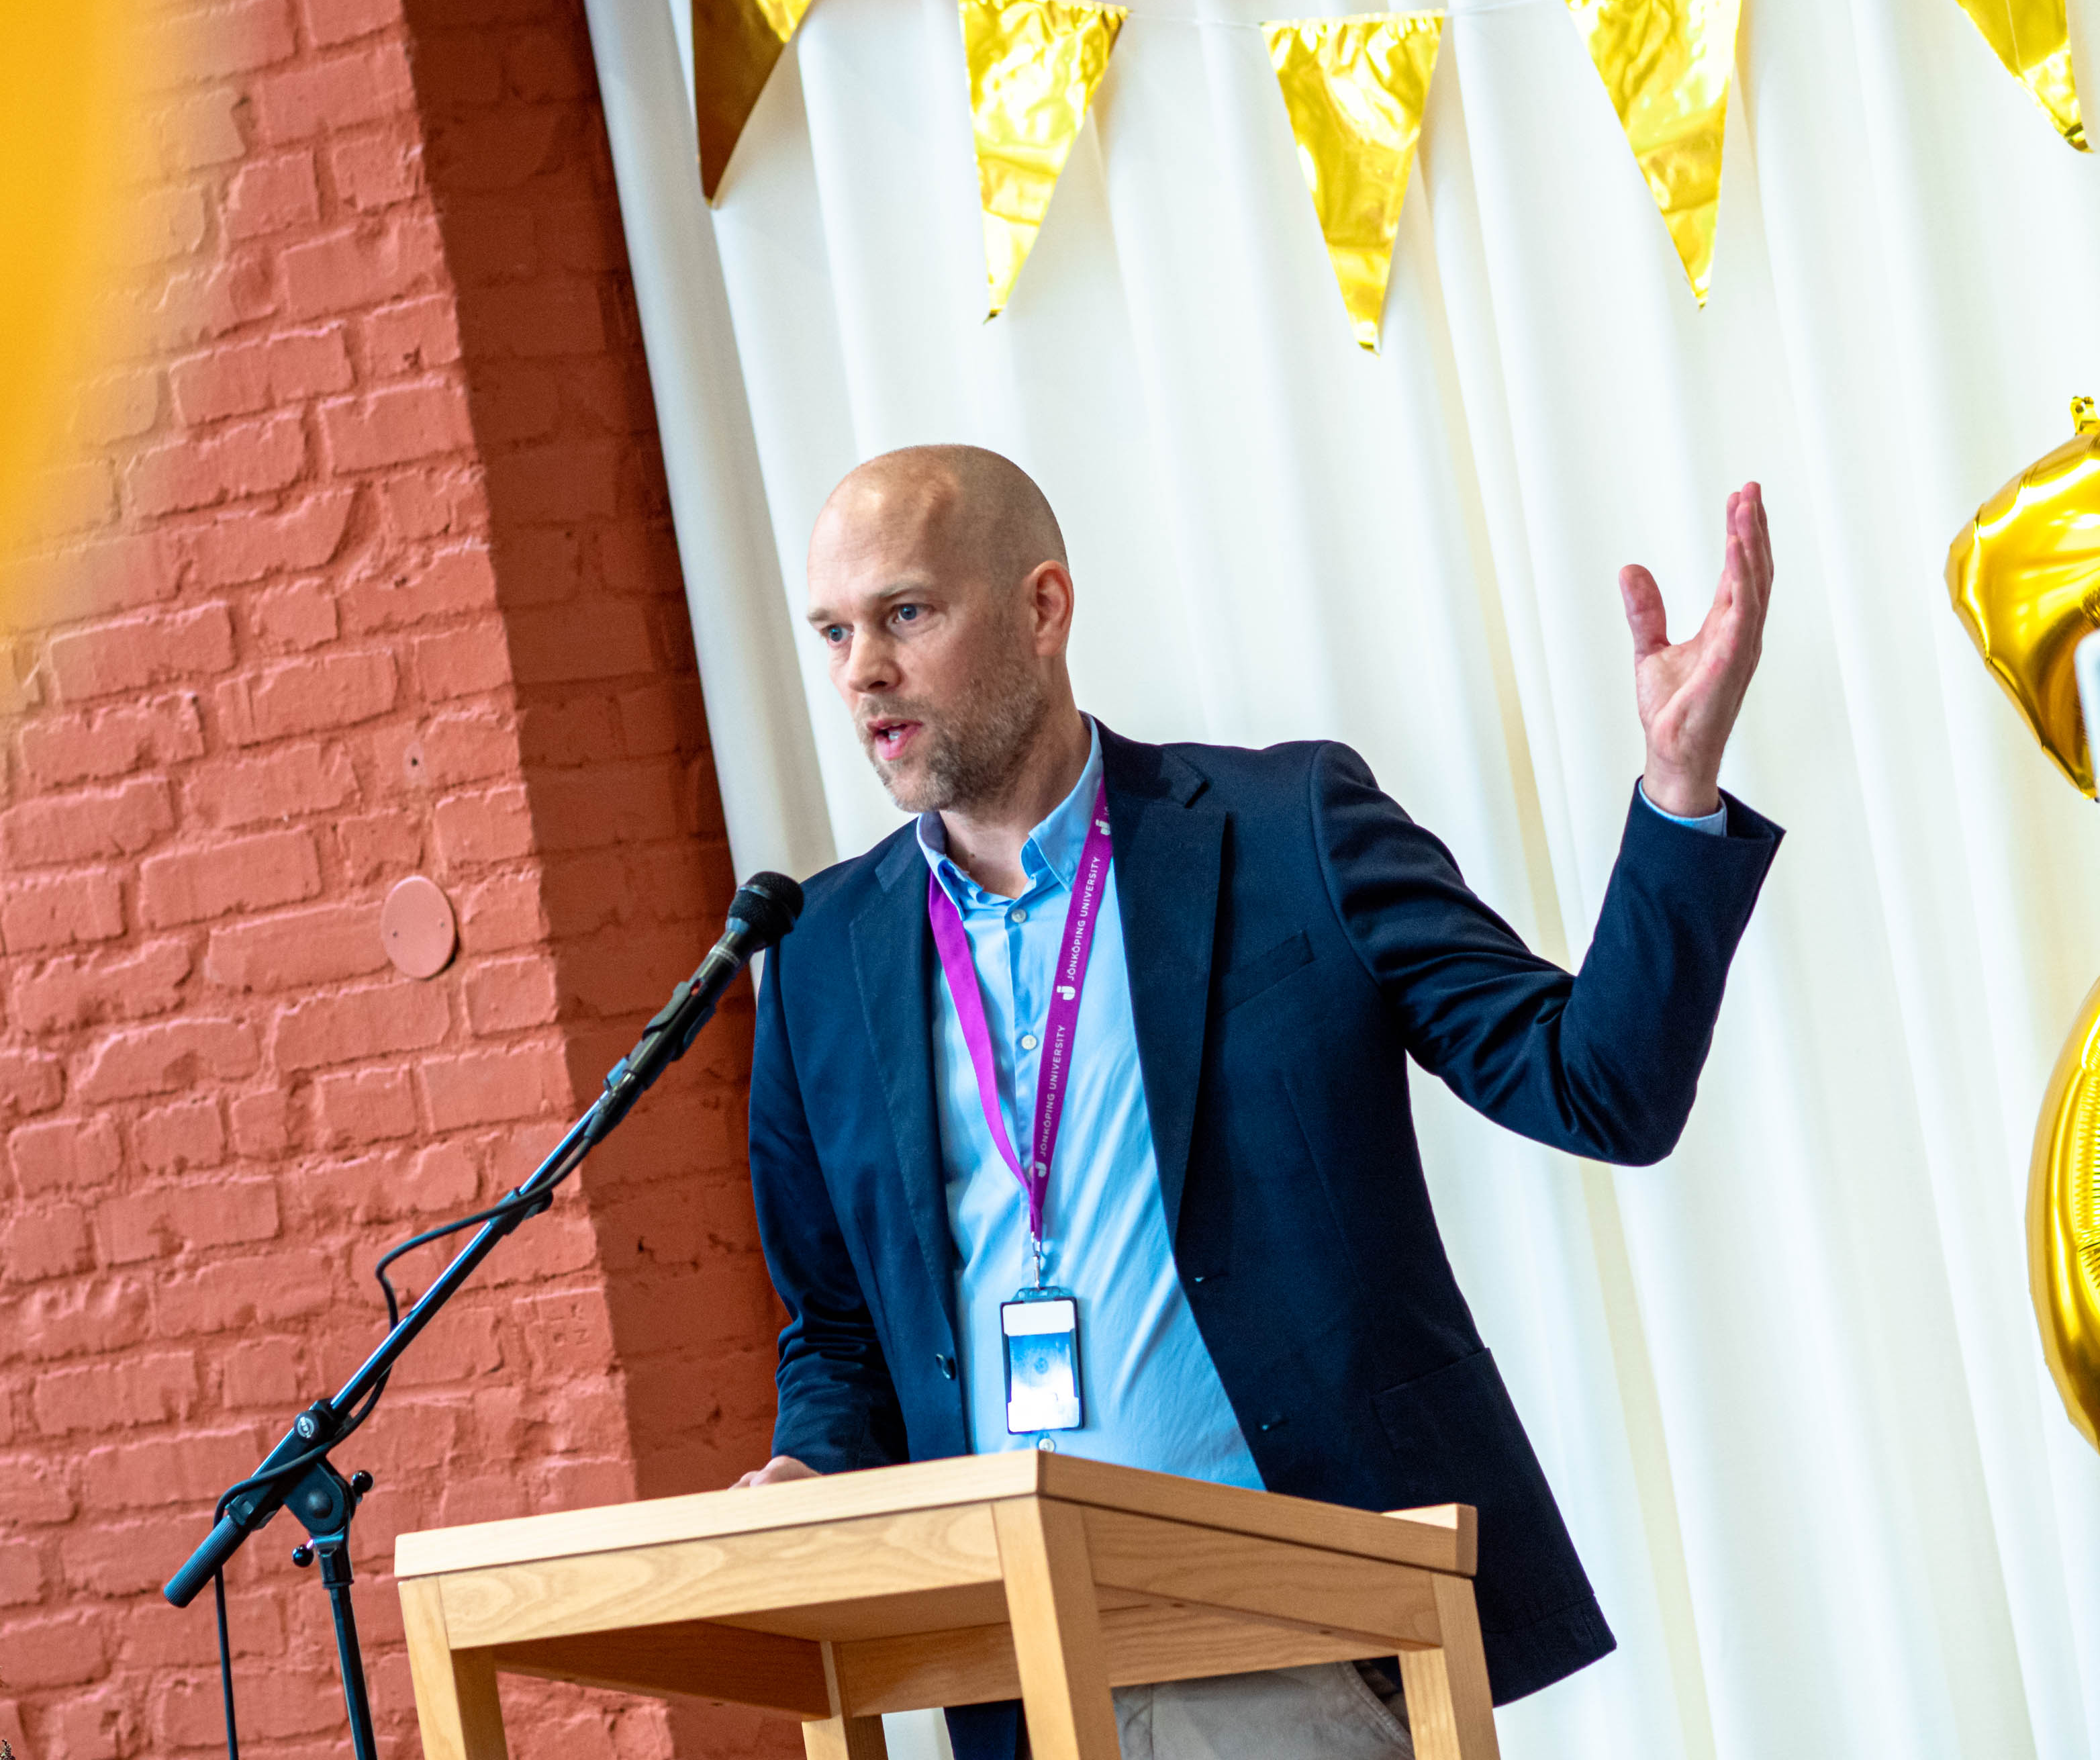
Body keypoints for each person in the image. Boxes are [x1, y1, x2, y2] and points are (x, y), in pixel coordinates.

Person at [738, 447, 1780, 1760]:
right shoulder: (818, 956)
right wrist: (806, 1471)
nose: (862, 672)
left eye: (904, 614)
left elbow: (1598, 1087)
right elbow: (836, 1332)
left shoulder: (1289, 829)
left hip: (1292, 1642)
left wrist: (1677, 792)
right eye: (834, 633)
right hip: (1011, 1670)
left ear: (1043, 608)